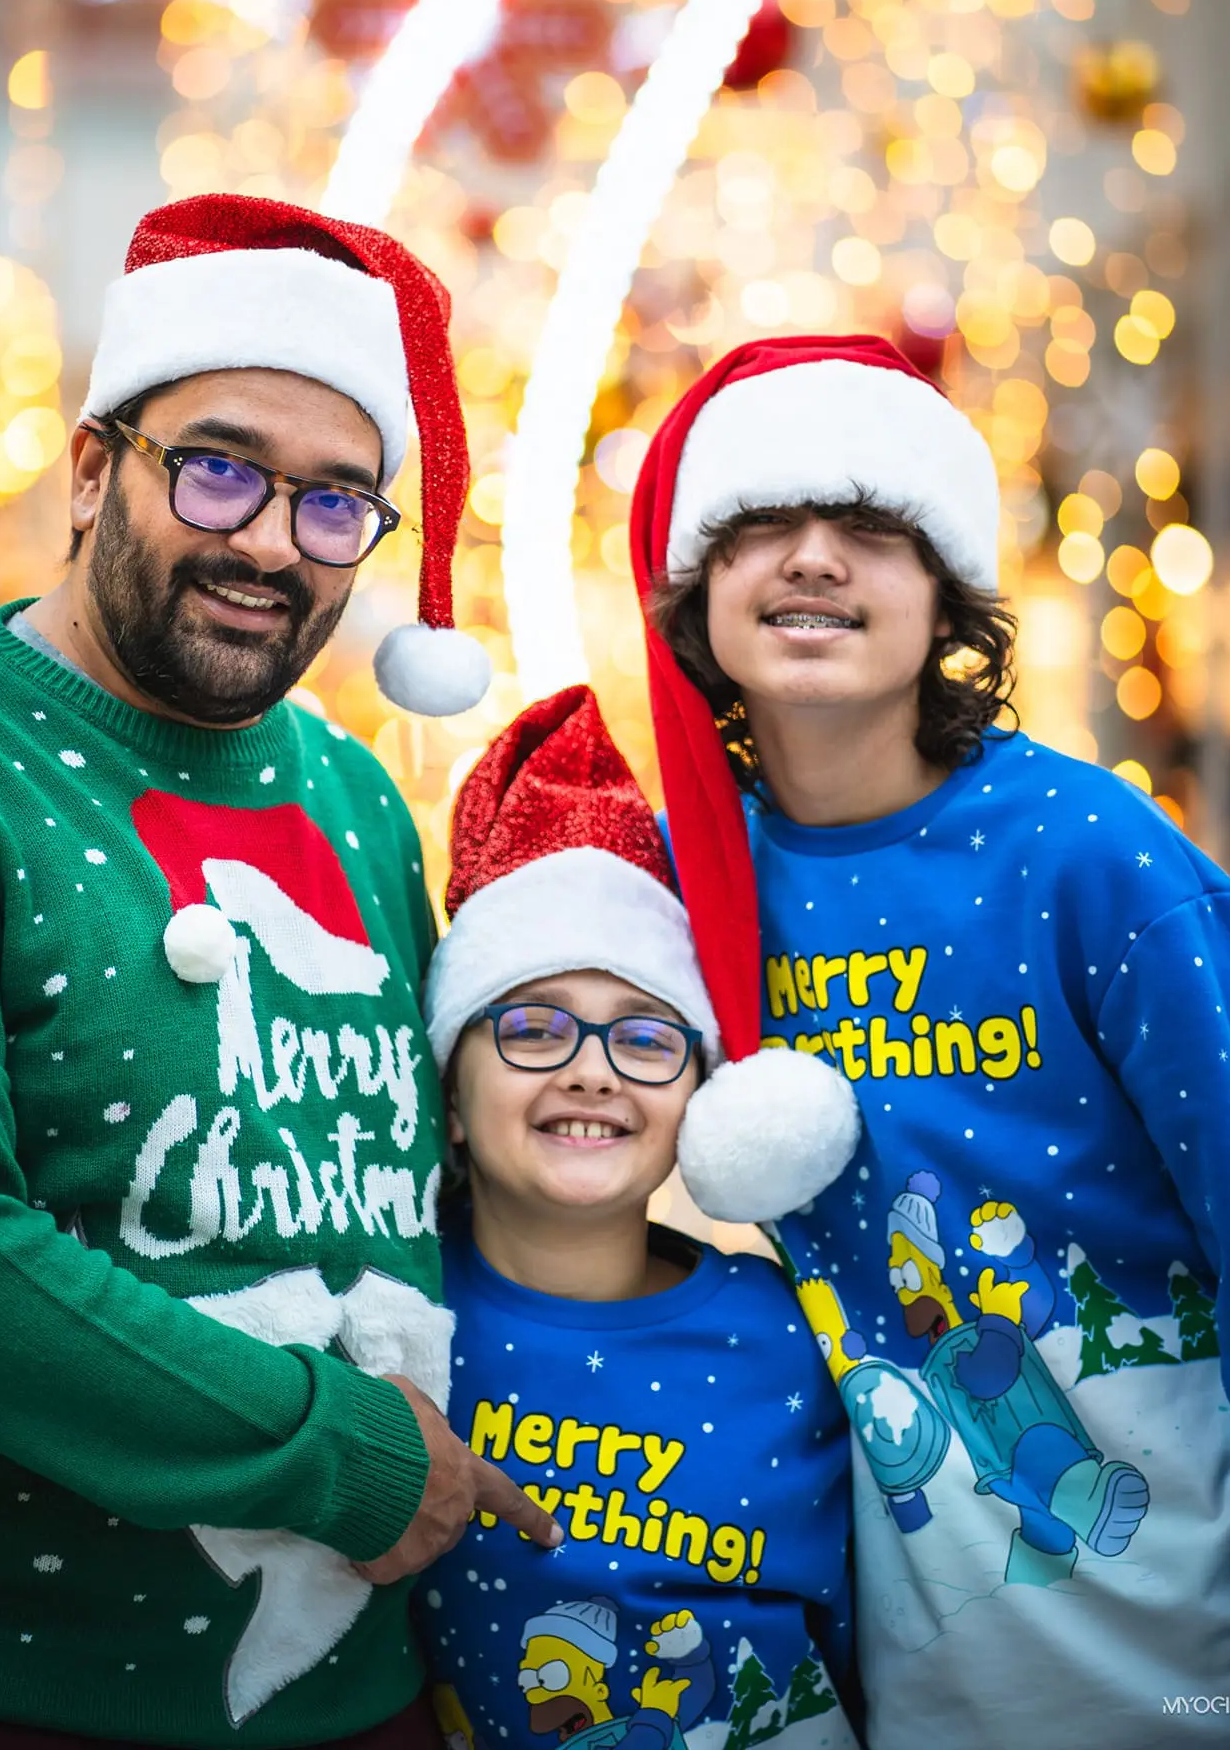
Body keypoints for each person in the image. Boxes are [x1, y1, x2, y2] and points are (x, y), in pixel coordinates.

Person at [0, 194, 558, 1750]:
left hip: (351, 1695)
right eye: (220, 469)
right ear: (94, 469)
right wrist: (343, 1458)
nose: (267, 543)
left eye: (333, 504)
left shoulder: (357, 795)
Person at [625, 332, 1230, 1748]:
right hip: (914, 1662)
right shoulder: (675, 886)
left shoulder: (1090, 856)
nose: (811, 559)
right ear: (699, 597)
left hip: (1194, 1642)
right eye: (759, 528)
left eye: (869, 528)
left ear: (944, 604)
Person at [414, 684, 859, 1750]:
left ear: (696, 1095)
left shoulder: (794, 1332)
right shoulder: (396, 1317)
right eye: (531, 1026)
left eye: (646, 1037)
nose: (590, 1071)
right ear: (453, 1100)